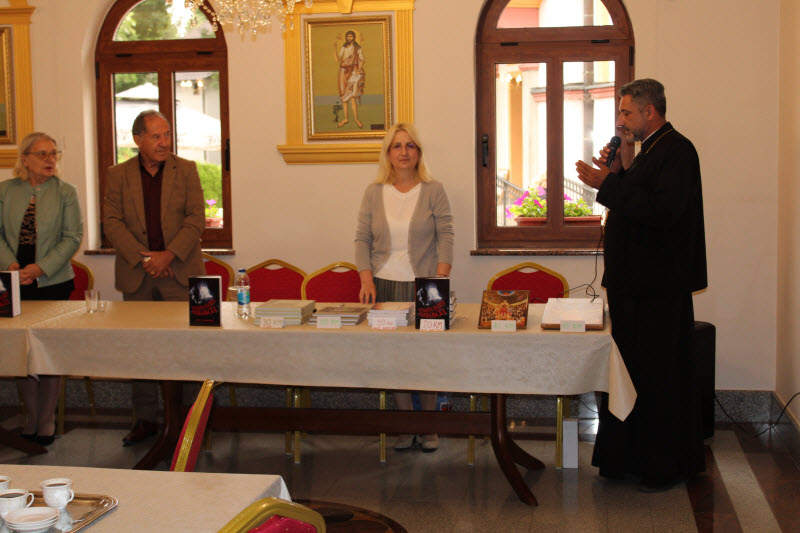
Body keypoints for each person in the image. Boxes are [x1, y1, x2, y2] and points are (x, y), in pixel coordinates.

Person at [575, 78, 707, 492]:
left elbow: (663, 212)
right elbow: (638, 201)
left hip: (658, 288)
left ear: (650, 111)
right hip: (635, 287)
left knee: (657, 378)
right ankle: (627, 458)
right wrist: (617, 174)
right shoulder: (649, 150)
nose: (621, 121)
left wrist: (608, 183)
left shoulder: (678, 150)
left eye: (626, 112)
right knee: (630, 375)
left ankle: (662, 465)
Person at [103, 110, 205, 446]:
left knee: (188, 348)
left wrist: (168, 255)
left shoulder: (186, 170)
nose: (164, 142)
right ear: (138, 139)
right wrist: (145, 258)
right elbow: (112, 222)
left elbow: (196, 220)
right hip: (138, 274)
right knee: (140, 349)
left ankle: (190, 421)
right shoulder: (117, 174)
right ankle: (146, 420)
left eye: (167, 134)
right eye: (156, 136)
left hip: (180, 272)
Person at [354, 122, 454, 452]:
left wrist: (439, 279)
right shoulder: (374, 192)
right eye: (397, 146)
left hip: (424, 286)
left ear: (419, 152)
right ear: (388, 153)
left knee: (425, 359)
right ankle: (405, 425)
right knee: (394, 358)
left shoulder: (433, 189)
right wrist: (366, 279)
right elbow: (362, 239)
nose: (403, 152)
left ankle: (428, 427)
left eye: (410, 145)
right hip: (384, 286)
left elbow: (446, 235)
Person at [0, 132, 83, 446]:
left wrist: (40, 268)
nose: (50, 160)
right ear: (24, 159)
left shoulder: (66, 192)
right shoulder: (5, 190)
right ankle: (30, 417)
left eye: (54, 153)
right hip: (12, 280)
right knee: (20, 352)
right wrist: (11, 266)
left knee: (48, 351)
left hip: (53, 282)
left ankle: (47, 419)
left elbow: (72, 237)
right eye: (42, 154)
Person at [334, 30, 365, 129]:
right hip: (343, 71)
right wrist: (334, 48)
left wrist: (358, 69)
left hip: (352, 72)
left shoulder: (357, 48)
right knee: (344, 96)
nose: (349, 38)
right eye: (348, 36)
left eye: (351, 36)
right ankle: (346, 118)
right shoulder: (344, 47)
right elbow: (338, 59)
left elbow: (362, 59)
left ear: (354, 37)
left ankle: (356, 119)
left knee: (352, 96)